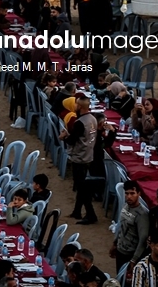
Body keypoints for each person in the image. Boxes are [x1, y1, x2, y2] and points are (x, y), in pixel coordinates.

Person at [62, 93, 99, 224]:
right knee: (80, 185)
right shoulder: (93, 119)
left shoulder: (79, 123)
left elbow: (71, 140)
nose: (75, 106)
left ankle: (91, 214)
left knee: (82, 187)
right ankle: (77, 211)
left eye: (77, 104)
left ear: (81, 107)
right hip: (88, 155)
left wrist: (64, 137)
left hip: (79, 157)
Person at [113, 180, 150, 270]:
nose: (129, 197)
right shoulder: (125, 206)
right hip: (120, 251)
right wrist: (115, 244)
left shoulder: (142, 214)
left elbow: (143, 240)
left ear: (138, 194)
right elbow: (121, 227)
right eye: (126, 193)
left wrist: (134, 260)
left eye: (132, 193)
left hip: (130, 255)